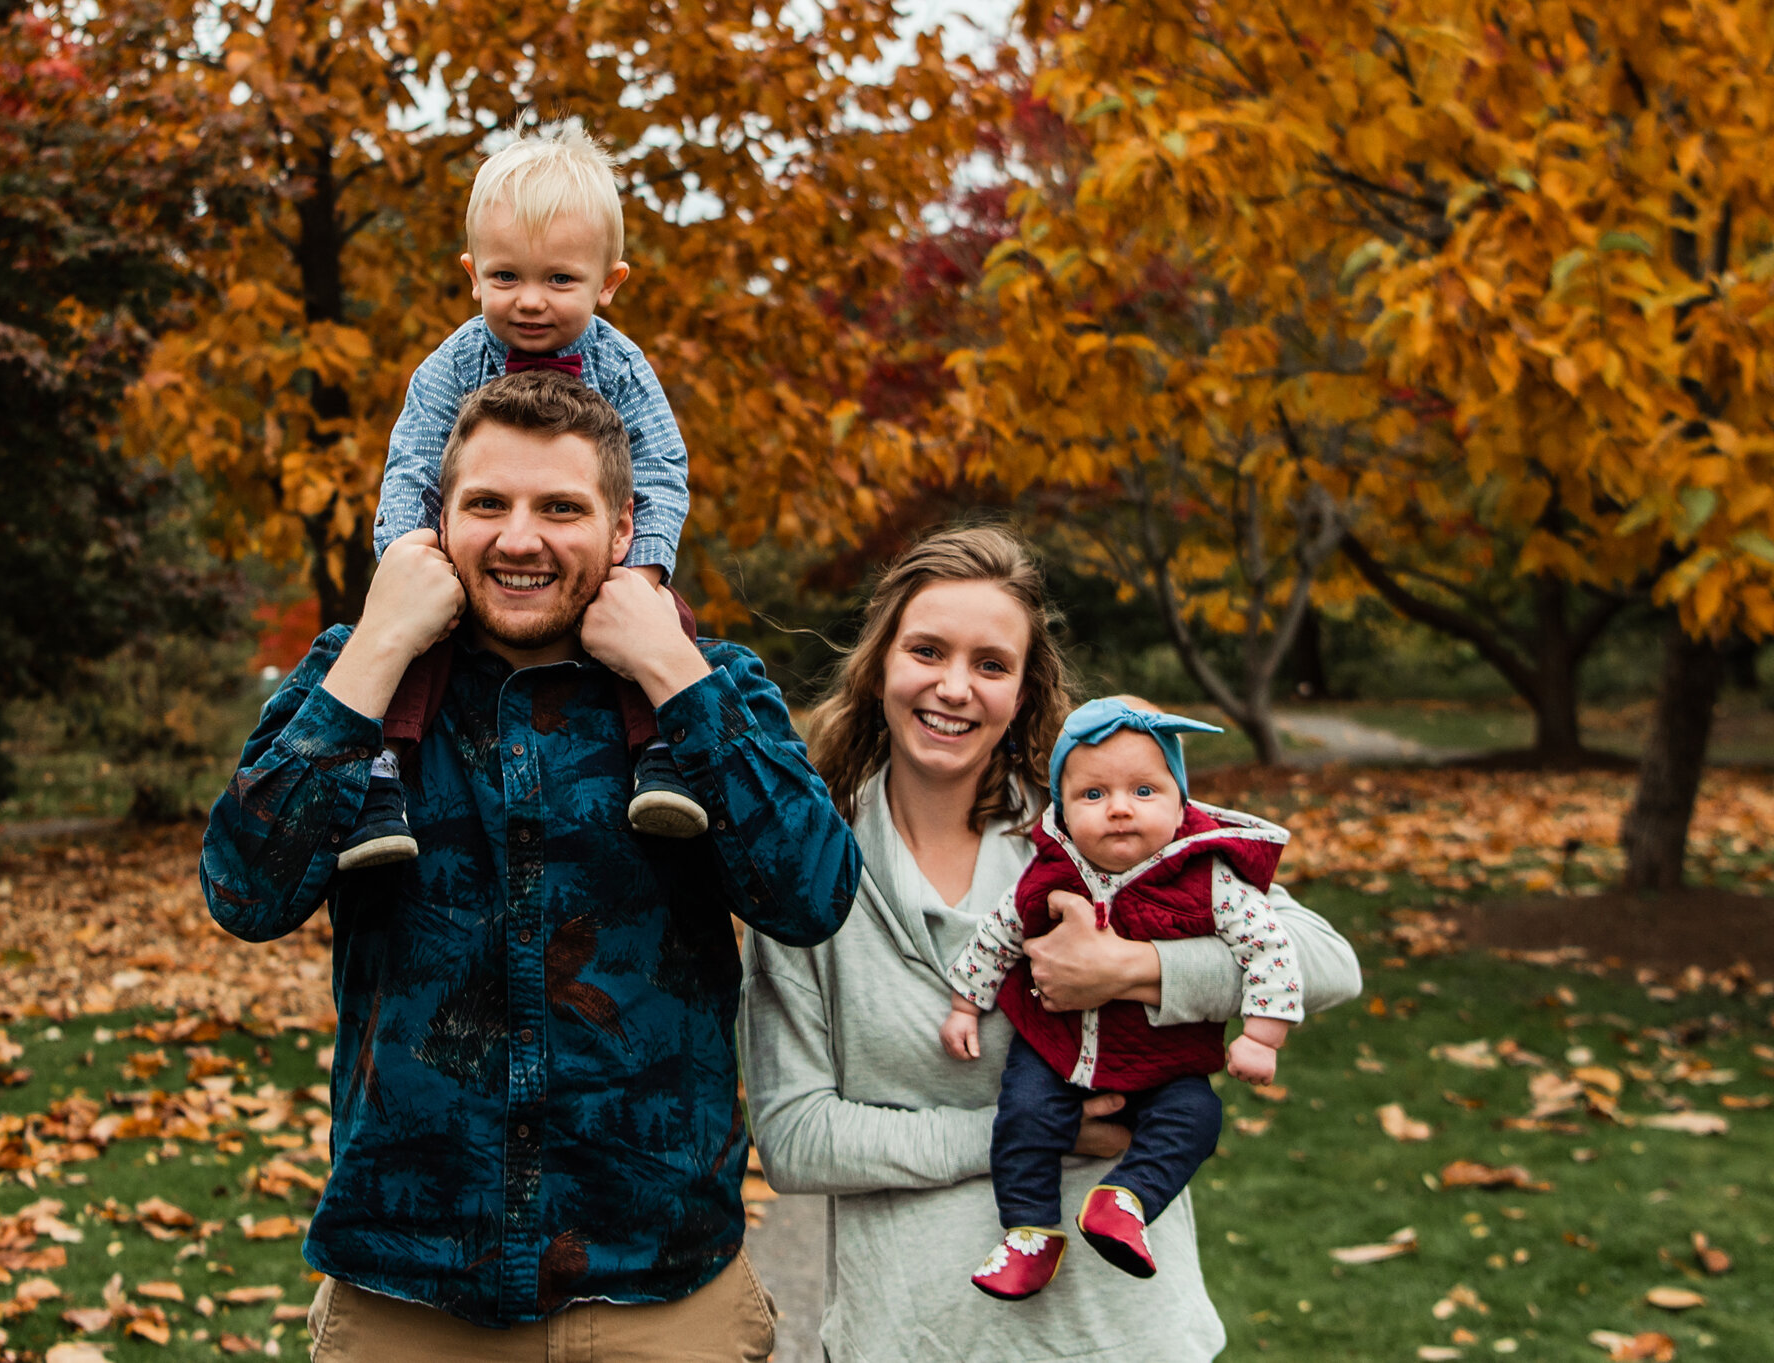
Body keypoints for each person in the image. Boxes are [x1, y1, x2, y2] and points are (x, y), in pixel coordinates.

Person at [201, 372, 860, 1359]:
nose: (519, 539)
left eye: (560, 507)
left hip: (659, 1287)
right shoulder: (358, 675)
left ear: (623, 525)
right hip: (408, 1287)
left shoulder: (705, 689)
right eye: (486, 505)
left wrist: (673, 674)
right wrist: (379, 643)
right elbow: (245, 892)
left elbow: (810, 893)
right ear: (438, 519)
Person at [739, 526, 1361, 1363]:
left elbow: (1328, 960)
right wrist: (1025, 1130)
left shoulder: (1099, 827)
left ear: (1025, 691)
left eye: (991, 664)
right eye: (927, 650)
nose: (954, 687)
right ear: (882, 661)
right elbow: (796, 1137)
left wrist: (1135, 969)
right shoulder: (808, 866)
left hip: (1120, 1335)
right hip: (909, 1335)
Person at [344, 124, 704, 871]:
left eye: (560, 280)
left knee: (664, 622)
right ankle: (382, 772)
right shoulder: (452, 365)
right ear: (473, 273)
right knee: (414, 641)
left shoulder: (622, 367)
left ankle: (661, 751)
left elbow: (663, 466)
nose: (530, 302)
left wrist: (642, 570)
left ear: (609, 282)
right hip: (462, 570)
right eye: (506, 278)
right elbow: (411, 464)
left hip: (602, 567)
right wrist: (415, 560)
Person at [940, 697, 1303, 1300]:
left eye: (1144, 791)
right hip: (1057, 1044)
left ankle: (1125, 1201)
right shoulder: (1051, 870)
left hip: (1164, 1056)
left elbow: (1269, 949)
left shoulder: (1210, 876)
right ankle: (1029, 1233)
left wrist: (1263, 1034)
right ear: (1061, 806)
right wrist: (964, 1004)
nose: (1119, 810)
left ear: (1179, 799)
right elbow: (998, 935)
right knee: (1025, 1115)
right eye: (1093, 795)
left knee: (1197, 1117)